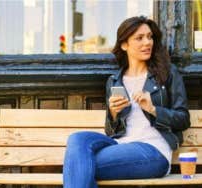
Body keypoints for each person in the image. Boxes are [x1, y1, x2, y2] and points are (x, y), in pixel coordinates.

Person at [63, 16, 190, 188]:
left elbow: (183, 118)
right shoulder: (115, 81)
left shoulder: (167, 73)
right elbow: (111, 131)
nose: (147, 42)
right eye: (139, 38)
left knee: (79, 165)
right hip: (119, 146)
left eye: (150, 36)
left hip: (153, 151)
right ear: (124, 45)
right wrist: (114, 114)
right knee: (77, 140)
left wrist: (153, 109)